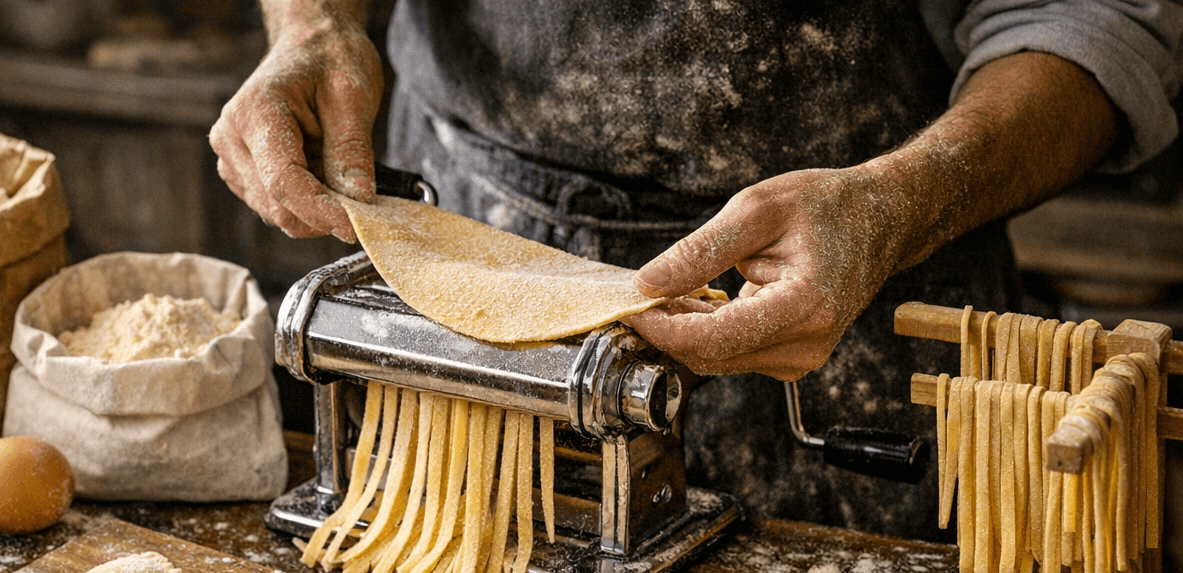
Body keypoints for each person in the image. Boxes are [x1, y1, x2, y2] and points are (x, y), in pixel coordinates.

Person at [210, 0, 1181, 539]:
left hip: (854, 301)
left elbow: (1099, 22)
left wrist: (897, 205)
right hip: (459, 262)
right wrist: (312, 24)